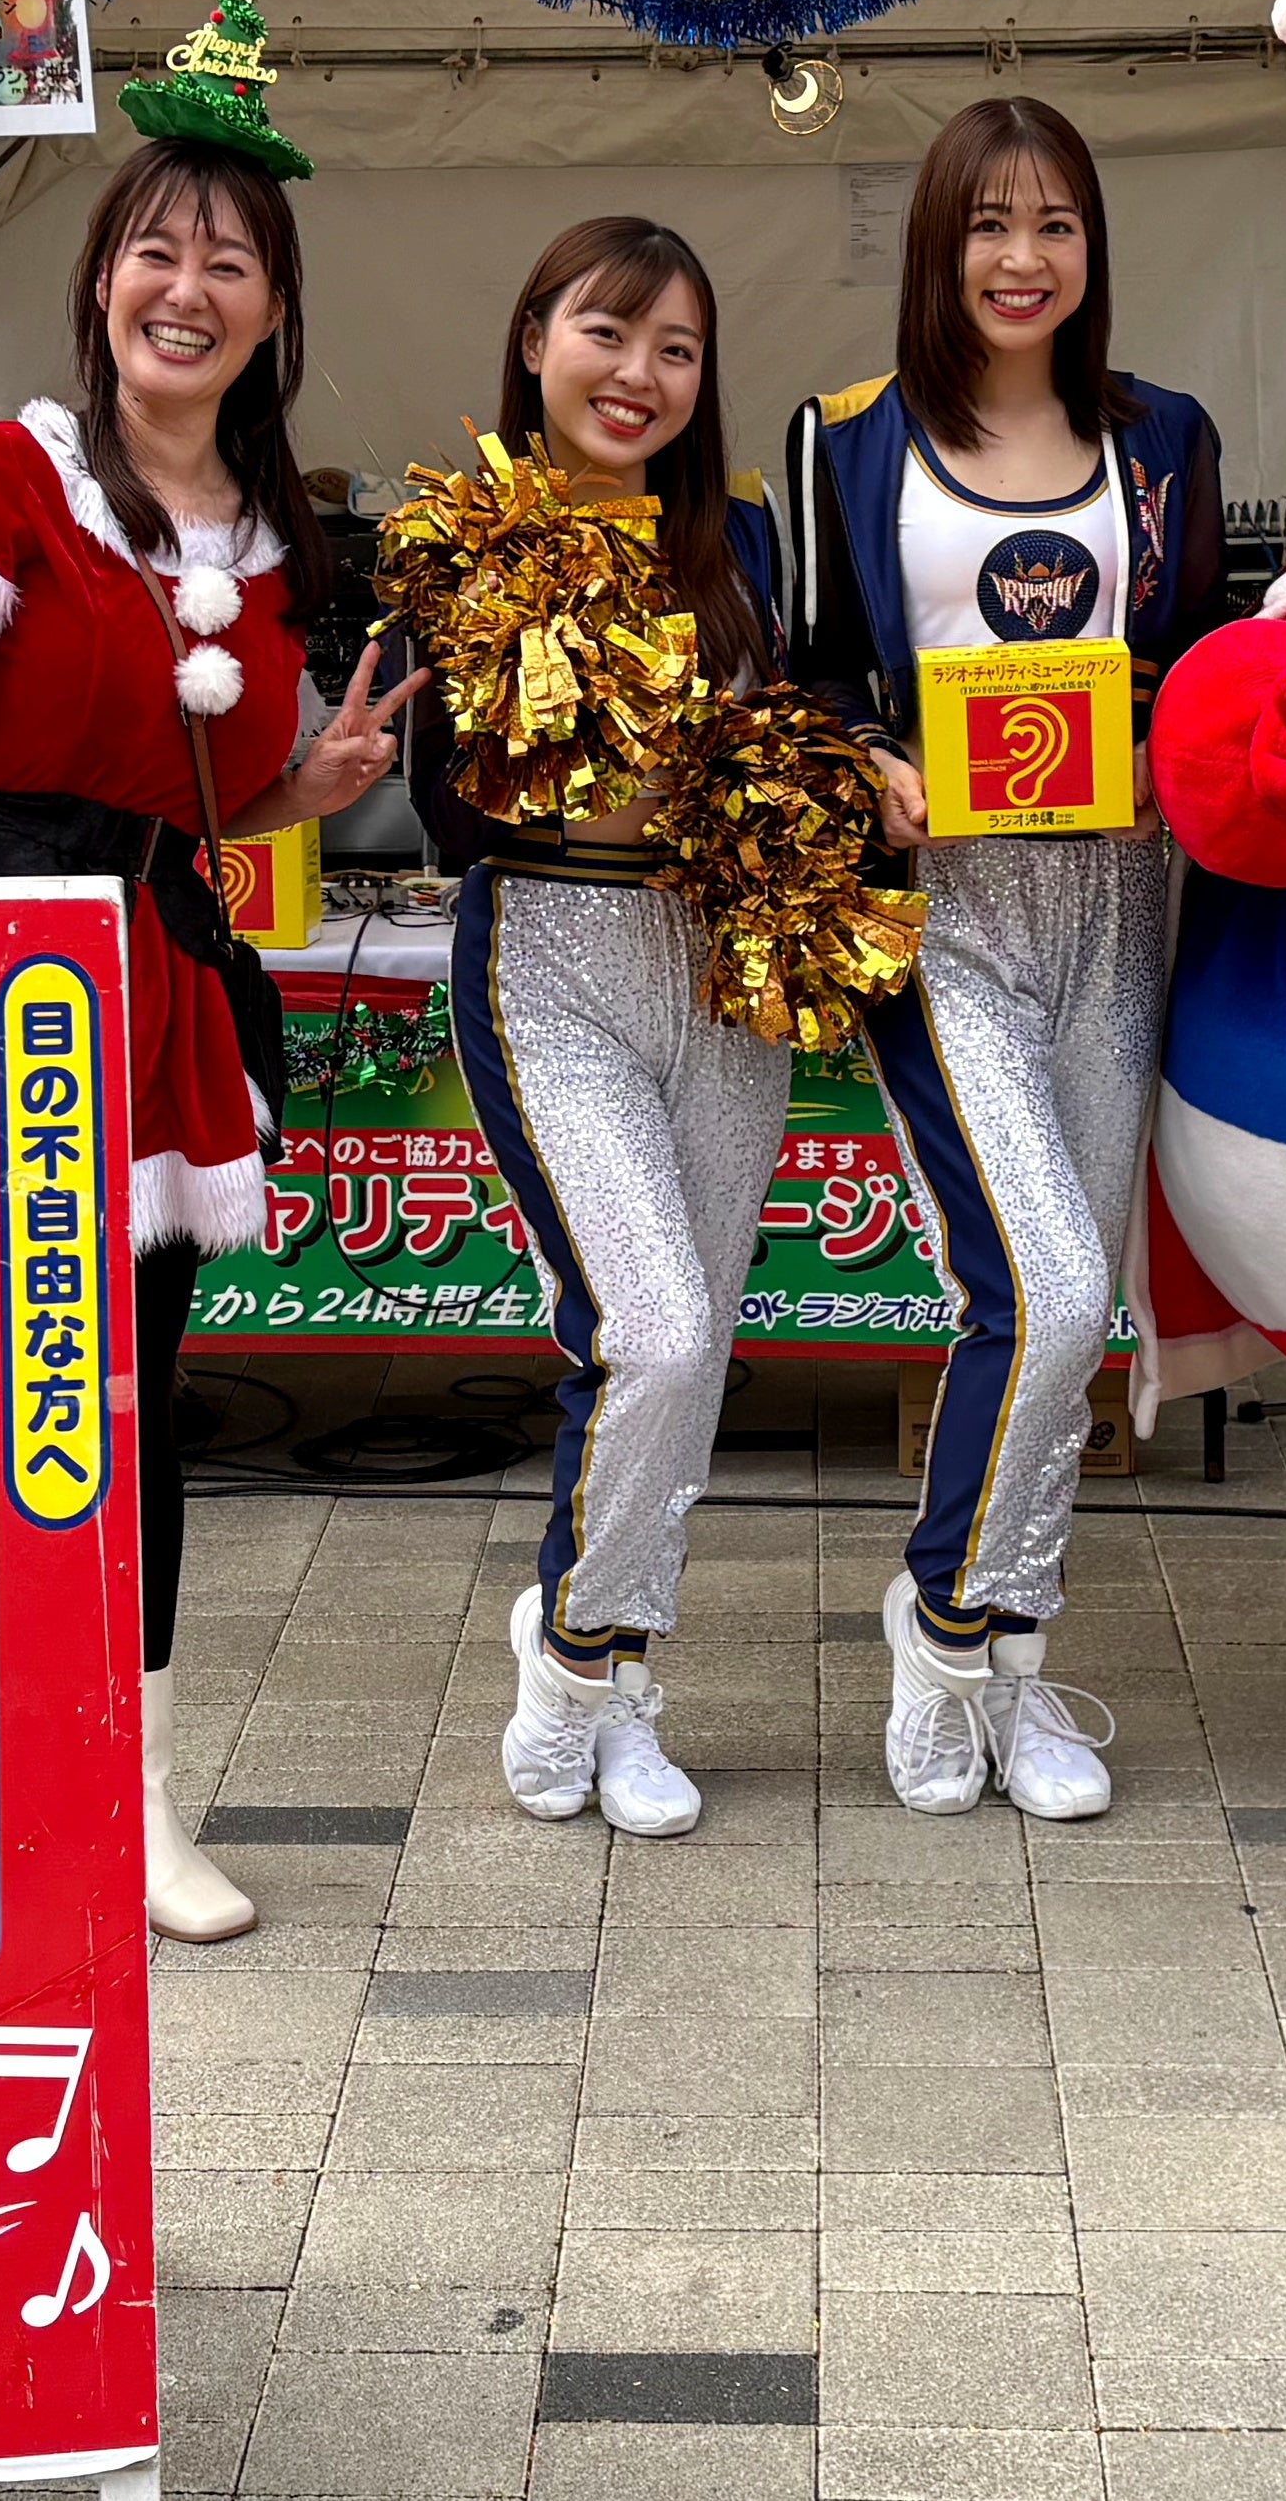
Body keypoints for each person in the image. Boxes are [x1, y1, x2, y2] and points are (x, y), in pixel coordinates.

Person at [0, 126, 412, 1947]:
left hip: (145, 969)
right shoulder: (16, 467)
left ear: (274, 310)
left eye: (231, 262)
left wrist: (298, 786)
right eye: (158, 250)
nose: (188, 288)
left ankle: (123, 1793)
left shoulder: (277, 536)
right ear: (101, 282)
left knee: (122, 1403)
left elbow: (181, 782)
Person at [784, 96, 1221, 1823]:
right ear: (937, 246)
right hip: (946, 914)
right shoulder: (845, 439)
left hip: (1118, 900)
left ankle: (1015, 1659)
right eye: (988, 224)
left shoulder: (1163, 437)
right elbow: (805, 671)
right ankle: (944, 1630)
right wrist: (862, 761)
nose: (1022, 257)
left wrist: (1177, 737)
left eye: (1054, 223)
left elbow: (1200, 656)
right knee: (1032, 1279)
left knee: (1075, 1304)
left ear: (1091, 246)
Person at [388, 220, 801, 1841]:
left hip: (724, 971)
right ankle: (570, 1661)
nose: (639, 374)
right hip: (549, 954)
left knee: (692, 1354)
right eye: (608, 333)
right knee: (654, 1329)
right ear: (534, 339)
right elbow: (446, 804)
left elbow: (799, 734)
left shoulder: (742, 539)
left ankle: (623, 1679)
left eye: (676, 349)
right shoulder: (462, 536)